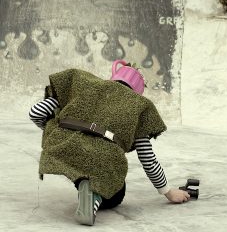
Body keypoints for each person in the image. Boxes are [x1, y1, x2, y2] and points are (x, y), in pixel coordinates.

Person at [29, 60, 190, 226]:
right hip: (104, 158)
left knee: (80, 165)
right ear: (138, 91)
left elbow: (36, 112)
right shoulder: (139, 106)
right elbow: (148, 160)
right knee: (115, 192)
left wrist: (55, 132)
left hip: (66, 146)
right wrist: (168, 192)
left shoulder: (83, 86)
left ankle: (87, 186)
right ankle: (94, 195)